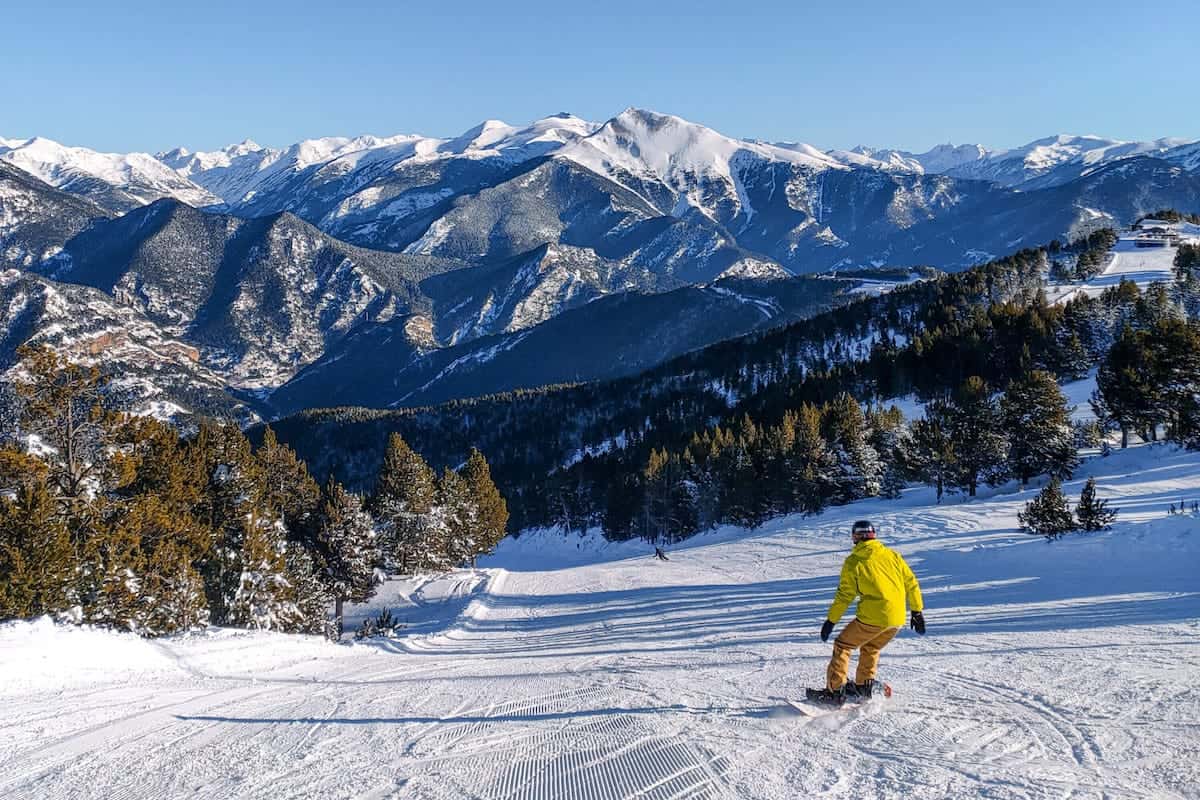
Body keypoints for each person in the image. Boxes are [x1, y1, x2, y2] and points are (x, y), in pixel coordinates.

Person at [816, 520, 925, 699]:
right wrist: (916, 611)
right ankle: (863, 686)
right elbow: (911, 583)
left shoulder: (854, 562)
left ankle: (834, 692)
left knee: (843, 645)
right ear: (873, 535)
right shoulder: (892, 555)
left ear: (855, 537)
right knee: (871, 646)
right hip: (896, 619)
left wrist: (831, 621)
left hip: (873, 617)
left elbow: (845, 595)